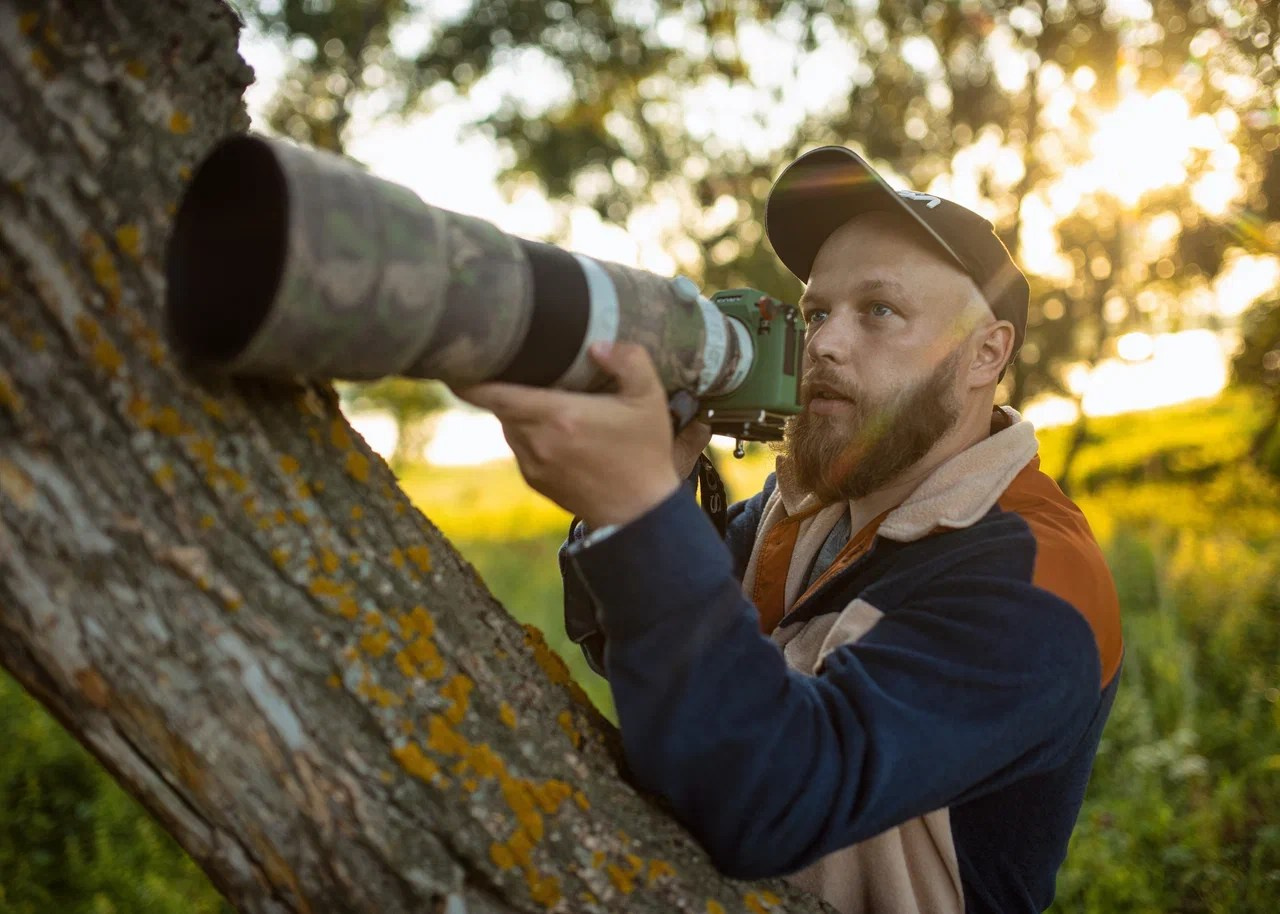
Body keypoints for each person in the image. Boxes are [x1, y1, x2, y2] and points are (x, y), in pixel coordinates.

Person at [455, 146, 1123, 914]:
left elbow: (771, 799)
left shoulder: (1040, 583)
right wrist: (661, 490)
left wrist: (638, 514)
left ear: (985, 353)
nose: (825, 344)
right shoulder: (806, 505)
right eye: (817, 313)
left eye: (879, 311)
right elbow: (636, 651)